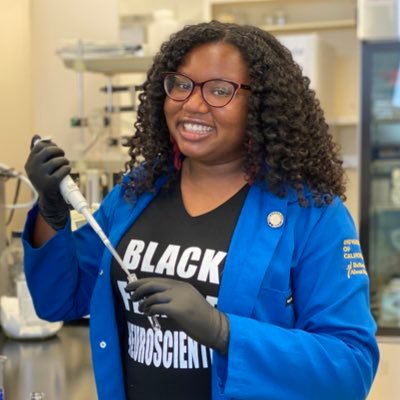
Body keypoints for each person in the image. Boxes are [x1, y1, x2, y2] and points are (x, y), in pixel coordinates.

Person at [23, 20, 379, 400]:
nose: (192, 104)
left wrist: (223, 331)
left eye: (219, 91)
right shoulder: (136, 192)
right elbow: (58, 301)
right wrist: (51, 209)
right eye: (181, 84)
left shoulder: (312, 214)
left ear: (260, 105)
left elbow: (351, 366)